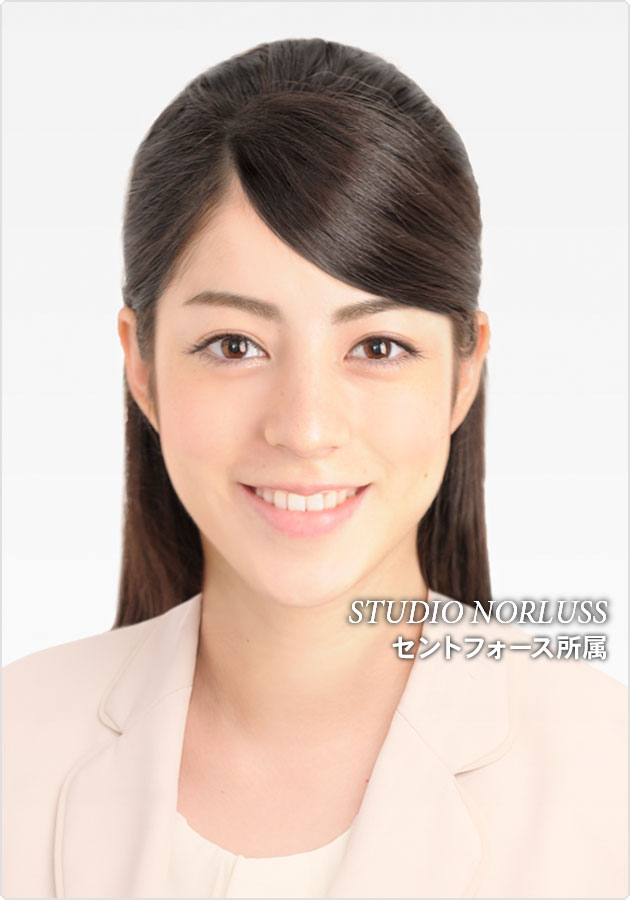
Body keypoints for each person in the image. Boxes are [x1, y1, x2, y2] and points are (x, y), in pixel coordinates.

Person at [2, 37, 626, 900]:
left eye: (378, 346)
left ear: (464, 372)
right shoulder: (15, 747)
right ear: (141, 365)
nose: (304, 428)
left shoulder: (609, 781)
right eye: (234, 345)